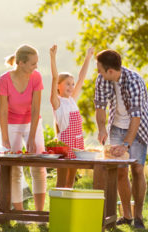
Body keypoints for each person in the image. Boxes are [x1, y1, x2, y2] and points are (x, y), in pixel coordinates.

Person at [94, 49, 148, 229]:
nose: (98, 73)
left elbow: (136, 118)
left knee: (137, 169)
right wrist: (102, 128)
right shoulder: (102, 80)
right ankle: (126, 216)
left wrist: (126, 144)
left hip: (138, 128)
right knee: (120, 171)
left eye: (100, 70)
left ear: (110, 71)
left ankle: (139, 217)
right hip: (116, 126)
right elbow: (100, 106)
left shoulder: (135, 81)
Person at [0, 44, 47, 211]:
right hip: (12, 124)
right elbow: (3, 111)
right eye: (33, 63)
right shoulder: (4, 79)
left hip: (32, 123)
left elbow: (35, 108)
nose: (36, 66)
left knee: (38, 167)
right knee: (14, 170)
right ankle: (19, 214)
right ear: (21, 63)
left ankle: (39, 214)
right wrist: (4, 137)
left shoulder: (36, 77)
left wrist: (32, 136)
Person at [50, 44, 94, 188]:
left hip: (77, 144)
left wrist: (88, 57)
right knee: (62, 180)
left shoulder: (72, 100)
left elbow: (82, 78)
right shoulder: (57, 102)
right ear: (58, 85)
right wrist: (53, 58)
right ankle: (58, 205)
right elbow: (54, 76)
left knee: (71, 180)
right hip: (64, 145)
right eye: (67, 84)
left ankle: (67, 205)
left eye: (72, 84)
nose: (71, 87)